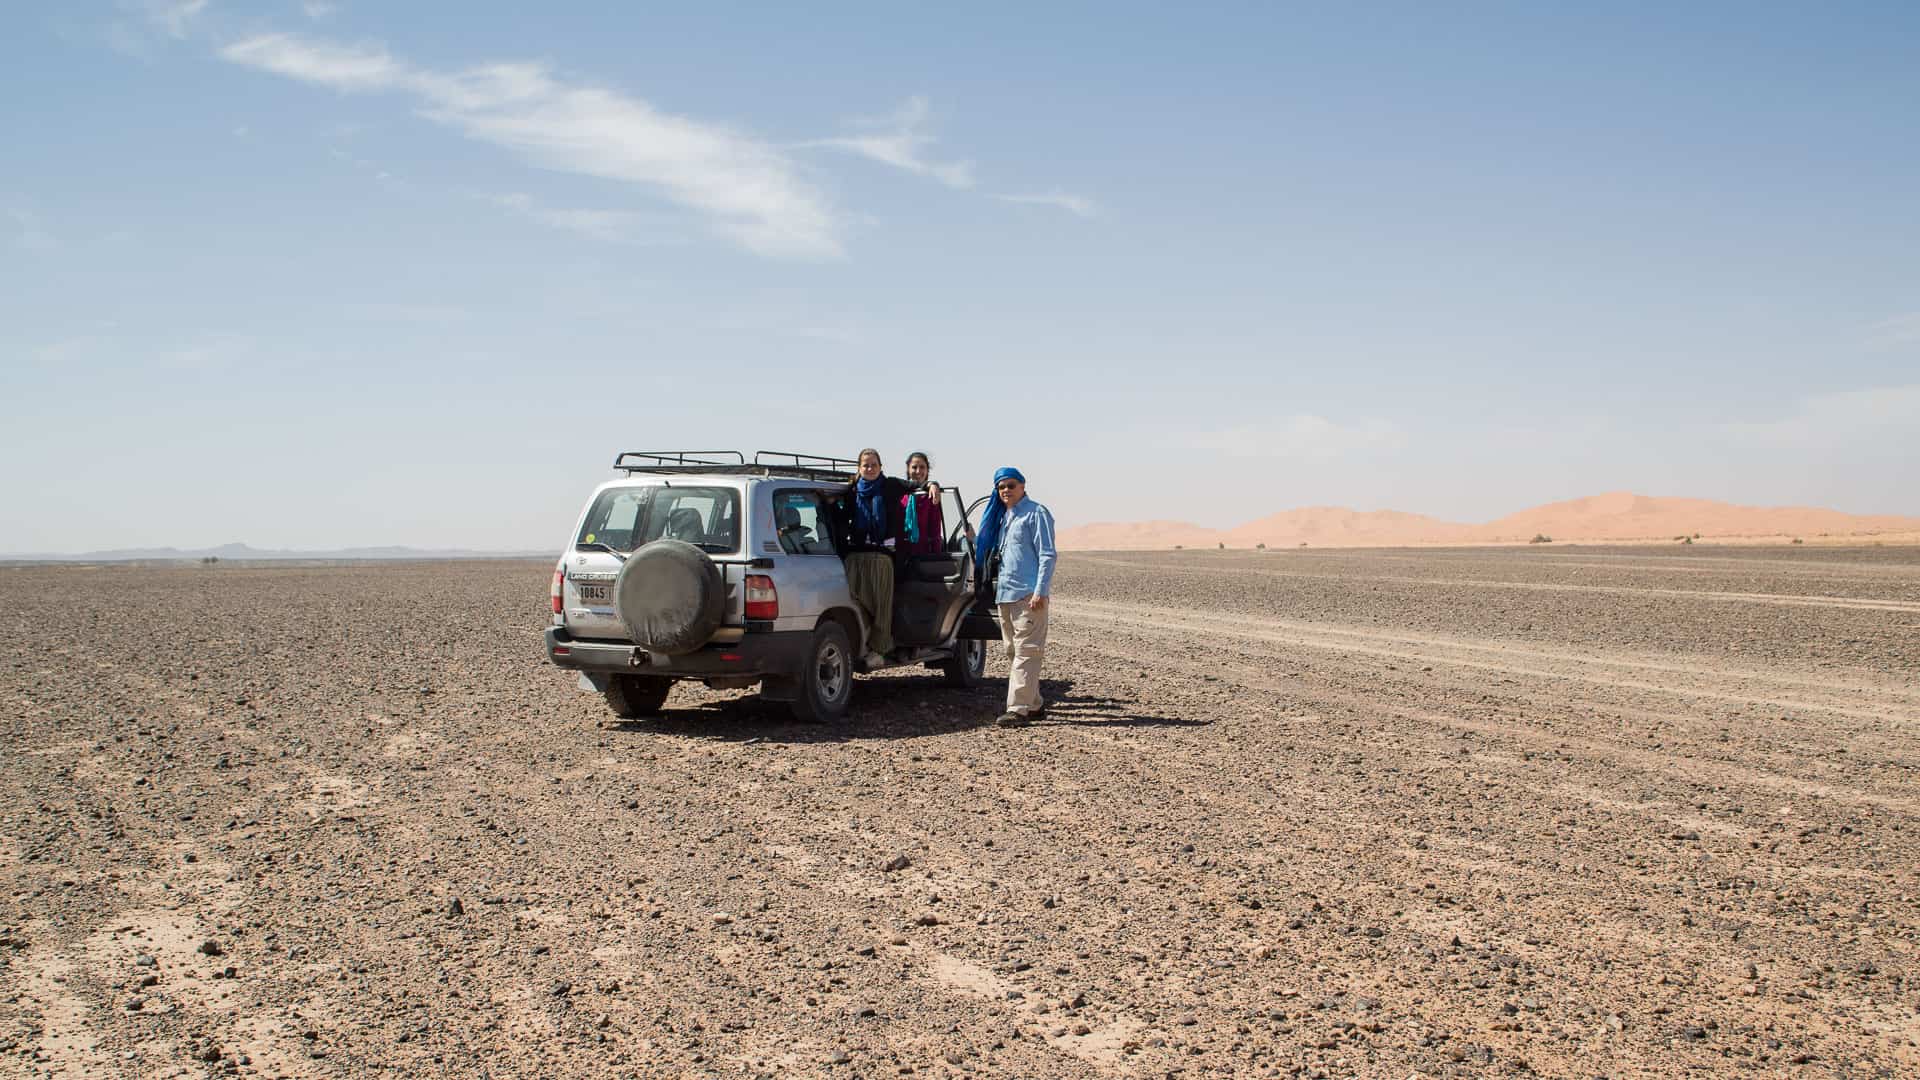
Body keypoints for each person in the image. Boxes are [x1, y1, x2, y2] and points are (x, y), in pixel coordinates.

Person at [972, 467, 1056, 726]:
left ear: (1022, 486)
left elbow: (1047, 554)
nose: (1006, 490)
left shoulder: (1036, 513)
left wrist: (1040, 591)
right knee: (1013, 652)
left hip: (1029, 596)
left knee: (1026, 652)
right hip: (1006, 595)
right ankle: (1034, 704)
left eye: (1010, 485)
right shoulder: (1003, 518)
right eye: (1001, 487)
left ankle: (1017, 710)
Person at [838, 448, 912, 668]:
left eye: (873, 465)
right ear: (859, 469)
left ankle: (879, 650)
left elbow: (915, 485)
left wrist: (932, 485)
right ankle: (859, 646)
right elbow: (842, 519)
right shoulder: (851, 491)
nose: (869, 469)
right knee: (855, 603)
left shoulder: (890, 486)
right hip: (855, 555)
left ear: (881, 467)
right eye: (865, 465)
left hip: (882, 557)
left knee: (881, 607)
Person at [899, 451, 946, 557]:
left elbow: (935, 529)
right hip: (900, 554)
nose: (918, 471)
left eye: (922, 467)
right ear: (908, 469)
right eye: (914, 467)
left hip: (923, 554)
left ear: (927, 470)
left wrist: (936, 557)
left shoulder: (930, 495)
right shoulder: (900, 493)